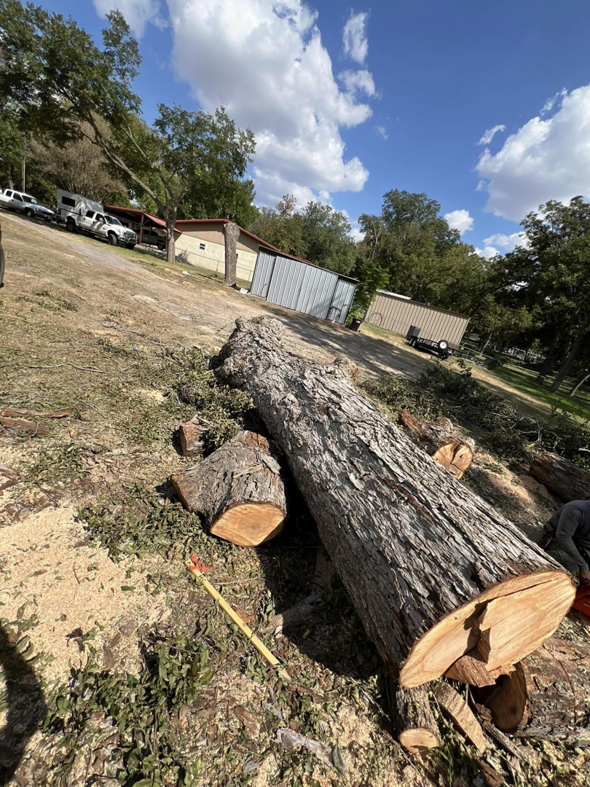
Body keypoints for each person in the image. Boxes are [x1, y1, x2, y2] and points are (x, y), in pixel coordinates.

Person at [543, 500, 590, 584]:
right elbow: (563, 536)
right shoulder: (576, 510)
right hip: (560, 541)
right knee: (572, 567)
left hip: (583, 548)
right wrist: (583, 565)